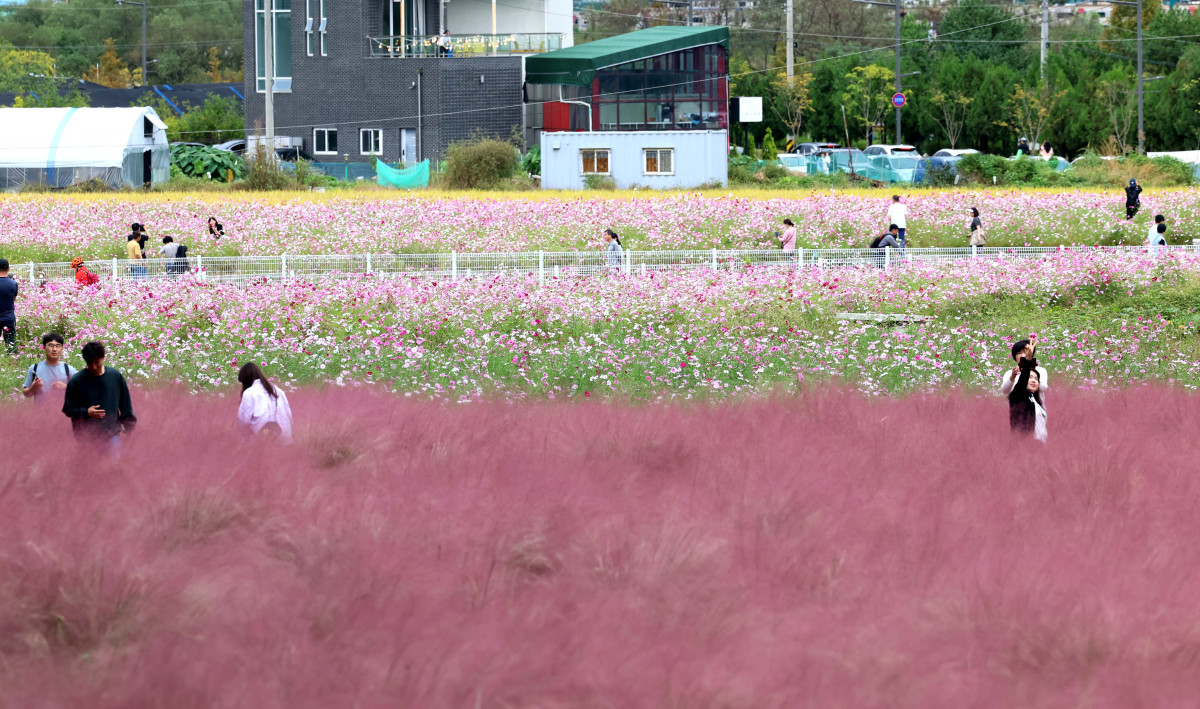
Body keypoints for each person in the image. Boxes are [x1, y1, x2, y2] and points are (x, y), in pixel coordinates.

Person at [62, 341, 136, 456]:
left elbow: (125, 405)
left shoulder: (115, 376)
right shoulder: (76, 381)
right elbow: (68, 409)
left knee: (112, 469)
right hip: (85, 437)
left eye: (97, 362)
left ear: (103, 357)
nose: (93, 367)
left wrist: (128, 430)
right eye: (89, 363)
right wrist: (86, 412)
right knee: (90, 471)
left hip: (112, 435)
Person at [237, 362, 293, 444]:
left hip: (262, 442)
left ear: (245, 381)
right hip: (285, 439)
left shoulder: (249, 393)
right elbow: (289, 416)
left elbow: (243, 422)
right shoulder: (278, 391)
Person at [22, 332, 75, 405]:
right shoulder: (34, 368)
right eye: (50, 345)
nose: (54, 349)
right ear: (44, 348)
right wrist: (33, 387)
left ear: (62, 349)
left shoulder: (69, 370)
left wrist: (66, 387)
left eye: (58, 346)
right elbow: (26, 394)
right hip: (40, 414)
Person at [999, 336, 1048, 405]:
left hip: (1036, 412)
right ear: (1014, 356)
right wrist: (1012, 377)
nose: (1023, 355)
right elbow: (1005, 390)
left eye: (1026, 352)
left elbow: (1043, 388)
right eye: (1019, 353)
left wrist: (1030, 373)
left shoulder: (1040, 371)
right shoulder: (1010, 373)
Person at [1008, 359, 1047, 443]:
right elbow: (1022, 382)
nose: (1033, 380)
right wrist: (1028, 359)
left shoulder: (1035, 400)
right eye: (1030, 377)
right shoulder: (1018, 396)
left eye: (1036, 379)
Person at [0, 259, 16, 353]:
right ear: (8, 269)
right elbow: (13, 299)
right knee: (11, 344)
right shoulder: (13, 284)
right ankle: (13, 361)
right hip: (8, 317)